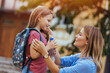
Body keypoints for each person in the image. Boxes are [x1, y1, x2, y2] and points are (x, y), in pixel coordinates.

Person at [32, 25, 104, 73]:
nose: (76, 36)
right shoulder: (81, 56)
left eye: (80, 34)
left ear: (88, 41)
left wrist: (44, 53)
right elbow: (59, 61)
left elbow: (58, 72)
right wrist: (51, 38)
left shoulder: (86, 64)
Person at [22, 6, 57, 73]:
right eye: (48, 20)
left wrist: (50, 46)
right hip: (32, 71)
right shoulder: (34, 34)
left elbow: (42, 52)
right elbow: (34, 55)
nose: (49, 24)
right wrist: (48, 47)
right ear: (40, 17)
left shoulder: (41, 34)